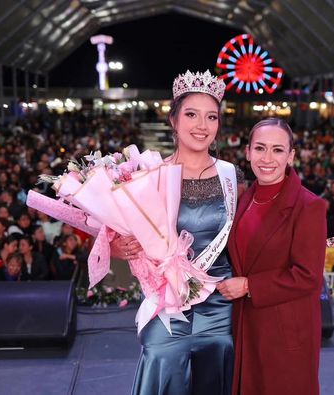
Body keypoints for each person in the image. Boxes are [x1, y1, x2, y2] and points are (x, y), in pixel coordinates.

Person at [111, 70, 243, 395]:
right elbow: (119, 235)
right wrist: (118, 246)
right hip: (168, 302)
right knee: (160, 356)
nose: (202, 125)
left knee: (221, 363)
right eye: (191, 114)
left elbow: (246, 236)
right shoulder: (150, 175)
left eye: (211, 117)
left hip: (220, 301)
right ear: (173, 119)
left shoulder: (232, 176)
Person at [217, 118, 327, 395]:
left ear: (291, 156)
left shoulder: (308, 206)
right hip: (247, 326)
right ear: (248, 152)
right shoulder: (244, 197)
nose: (267, 158)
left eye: (277, 150)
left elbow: (308, 277)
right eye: (260, 148)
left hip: (284, 335)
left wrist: (248, 285)